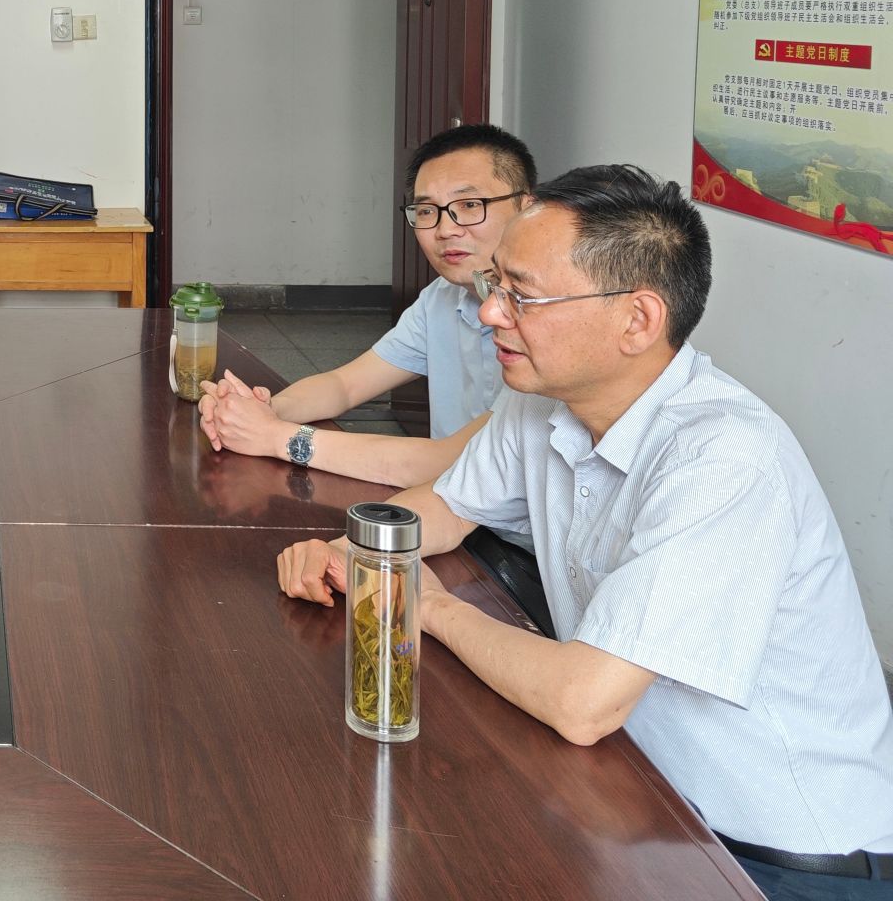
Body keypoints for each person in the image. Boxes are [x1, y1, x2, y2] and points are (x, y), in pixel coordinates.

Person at [274, 167, 893, 896]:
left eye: (522, 296)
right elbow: (445, 506)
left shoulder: (722, 460)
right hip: (640, 798)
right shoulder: (544, 395)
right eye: (495, 284)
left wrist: (428, 604)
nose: (490, 313)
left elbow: (581, 702)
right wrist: (355, 551)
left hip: (775, 855)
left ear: (637, 320)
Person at [197, 123, 547, 628]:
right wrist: (256, 410)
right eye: (427, 211)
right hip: (458, 525)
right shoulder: (442, 298)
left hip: (527, 559)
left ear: (527, 208)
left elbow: (450, 464)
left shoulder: (550, 324)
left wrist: (277, 438)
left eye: (470, 205)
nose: (446, 229)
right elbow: (345, 384)